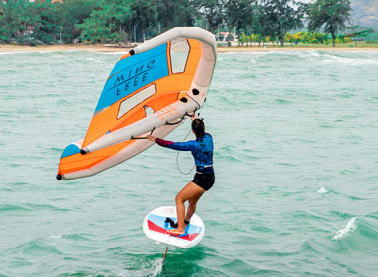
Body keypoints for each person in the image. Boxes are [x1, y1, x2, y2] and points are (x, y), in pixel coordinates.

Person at [147, 118, 214, 235]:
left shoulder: (194, 145)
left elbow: (174, 145)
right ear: (203, 128)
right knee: (192, 203)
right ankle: (186, 221)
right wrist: (195, 119)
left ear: (193, 131)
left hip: (202, 179)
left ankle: (180, 229)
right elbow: (199, 130)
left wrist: (155, 139)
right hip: (209, 177)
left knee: (179, 199)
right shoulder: (209, 138)